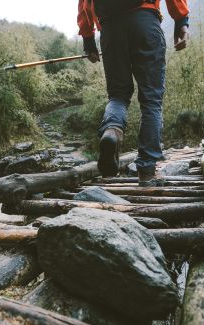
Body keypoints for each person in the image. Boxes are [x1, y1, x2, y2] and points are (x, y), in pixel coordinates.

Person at [77, 0, 189, 186]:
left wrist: (88, 39)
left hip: (110, 29)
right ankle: (146, 171)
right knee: (151, 100)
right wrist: (181, 20)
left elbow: (84, 3)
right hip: (145, 22)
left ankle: (112, 130)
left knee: (118, 95)